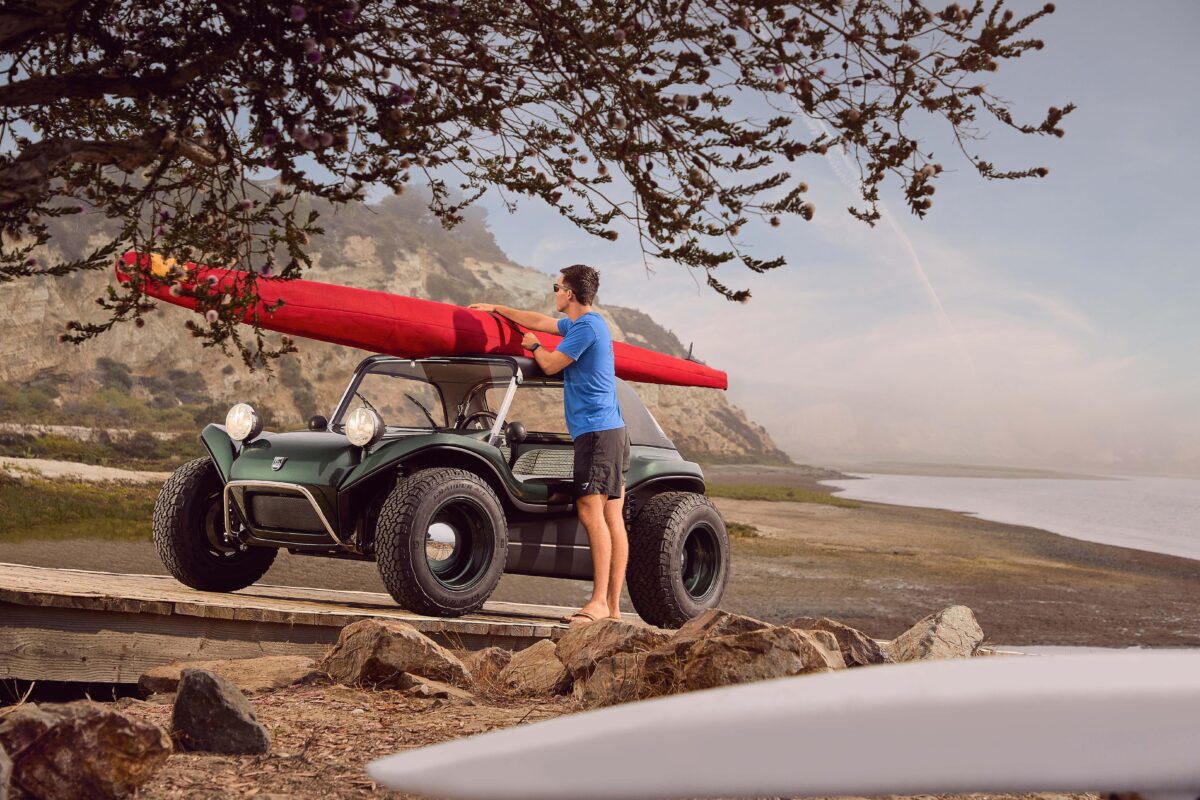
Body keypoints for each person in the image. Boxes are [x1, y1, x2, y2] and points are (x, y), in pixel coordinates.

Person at [469, 264, 629, 628]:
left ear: (569, 293)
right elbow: (539, 319)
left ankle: (598, 603)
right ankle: (614, 609)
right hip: (614, 432)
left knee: (592, 513)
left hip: (596, 433)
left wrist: (534, 346)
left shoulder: (585, 328)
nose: (554, 292)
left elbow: (553, 364)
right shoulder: (586, 323)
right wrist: (497, 309)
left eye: (556, 286)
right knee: (612, 517)